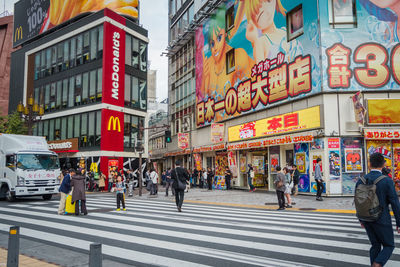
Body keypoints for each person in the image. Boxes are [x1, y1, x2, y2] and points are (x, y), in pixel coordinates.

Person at [356, 152, 400, 267]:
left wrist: (361, 219)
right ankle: (377, 264)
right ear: (384, 164)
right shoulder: (387, 181)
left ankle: (374, 264)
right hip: (382, 219)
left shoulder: (361, 180)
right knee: (389, 245)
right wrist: (399, 222)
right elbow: (395, 203)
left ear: (369, 164)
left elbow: (358, 201)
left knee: (375, 245)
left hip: (366, 218)